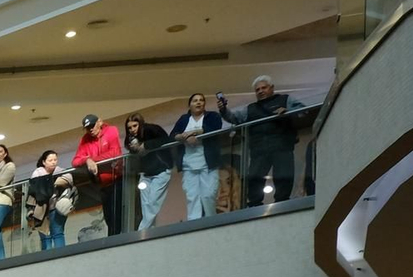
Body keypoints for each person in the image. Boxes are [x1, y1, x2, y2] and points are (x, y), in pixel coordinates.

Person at [218, 76, 307, 208]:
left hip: (281, 145)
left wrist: (288, 111)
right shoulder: (250, 108)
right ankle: (254, 205)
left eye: (263, 88)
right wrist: (223, 110)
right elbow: (235, 118)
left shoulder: (285, 100)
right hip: (259, 149)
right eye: (257, 89)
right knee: (254, 178)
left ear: (272, 88)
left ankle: (282, 203)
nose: (260, 91)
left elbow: (303, 110)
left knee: (283, 176)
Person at [171, 92, 228, 220]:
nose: (198, 102)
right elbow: (173, 134)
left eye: (201, 100)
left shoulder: (212, 116)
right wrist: (182, 137)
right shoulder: (184, 119)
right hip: (188, 164)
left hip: (208, 163)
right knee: (192, 196)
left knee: (208, 195)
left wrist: (196, 132)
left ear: (204, 104)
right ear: (189, 105)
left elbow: (216, 128)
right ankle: (193, 223)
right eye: (195, 100)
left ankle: (211, 221)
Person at [72, 114, 125, 236]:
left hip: (117, 178)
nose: (90, 129)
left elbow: (115, 153)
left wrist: (92, 160)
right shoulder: (85, 139)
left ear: (99, 122)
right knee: (109, 217)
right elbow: (75, 161)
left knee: (118, 214)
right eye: (87, 128)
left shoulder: (111, 131)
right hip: (102, 183)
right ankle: (113, 241)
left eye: (92, 126)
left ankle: (119, 240)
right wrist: (87, 160)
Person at [123, 112, 176, 230]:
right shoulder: (131, 138)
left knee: (153, 203)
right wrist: (134, 148)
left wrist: (146, 145)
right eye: (129, 127)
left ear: (140, 124)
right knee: (146, 205)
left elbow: (166, 139)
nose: (132, 129)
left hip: (161, 171)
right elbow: (128, 146)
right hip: (145, 174)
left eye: (135, 126)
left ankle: (142, 230)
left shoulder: (152, 129)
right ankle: (149, 230)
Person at [28, 150, 71, 251]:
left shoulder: (62, 172)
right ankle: (47, 259)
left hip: (57, 207)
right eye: (50, 160)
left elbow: (69, 179)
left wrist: (53, 182)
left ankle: (61, 256)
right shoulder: (37, 173)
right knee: (45, 236)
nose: (53, 162)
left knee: (57, 232)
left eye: (55, 159)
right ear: (44, 162)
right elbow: (34, 191)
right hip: (40, 209)